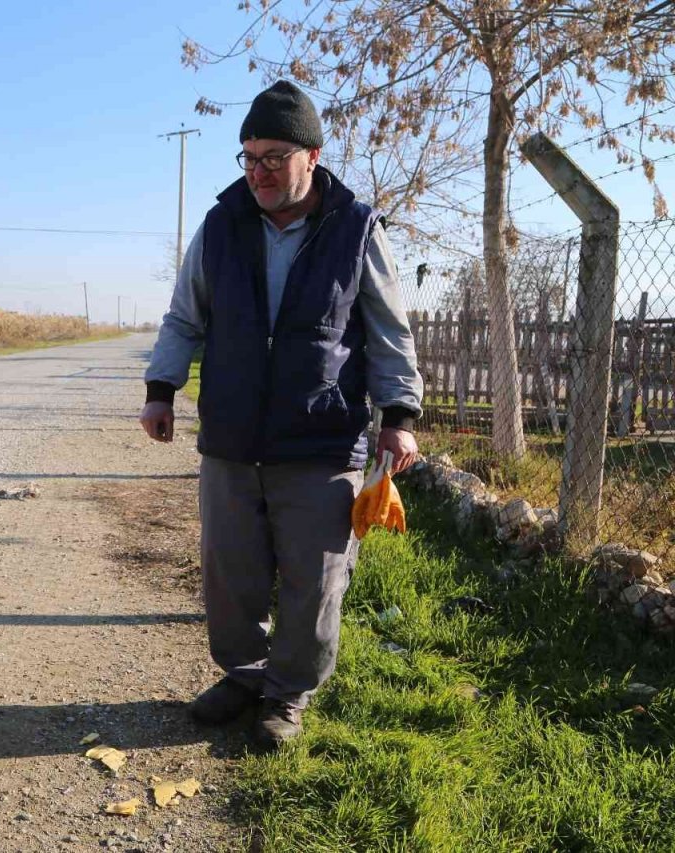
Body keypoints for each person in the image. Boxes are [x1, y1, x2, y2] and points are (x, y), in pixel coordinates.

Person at [139, 81, 423, 751]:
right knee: (230, 574)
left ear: (312, 157)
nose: (259, 171)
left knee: (314, 579)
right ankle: (245, 675)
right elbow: (184, 316)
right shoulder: (221, 226)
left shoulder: (356, 229)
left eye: (274, 157)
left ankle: (289, 690)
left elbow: (388, 330)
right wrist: (161, 387)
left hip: (322, 440)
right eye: (250, 157)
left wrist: (399, 413)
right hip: (233, 439)